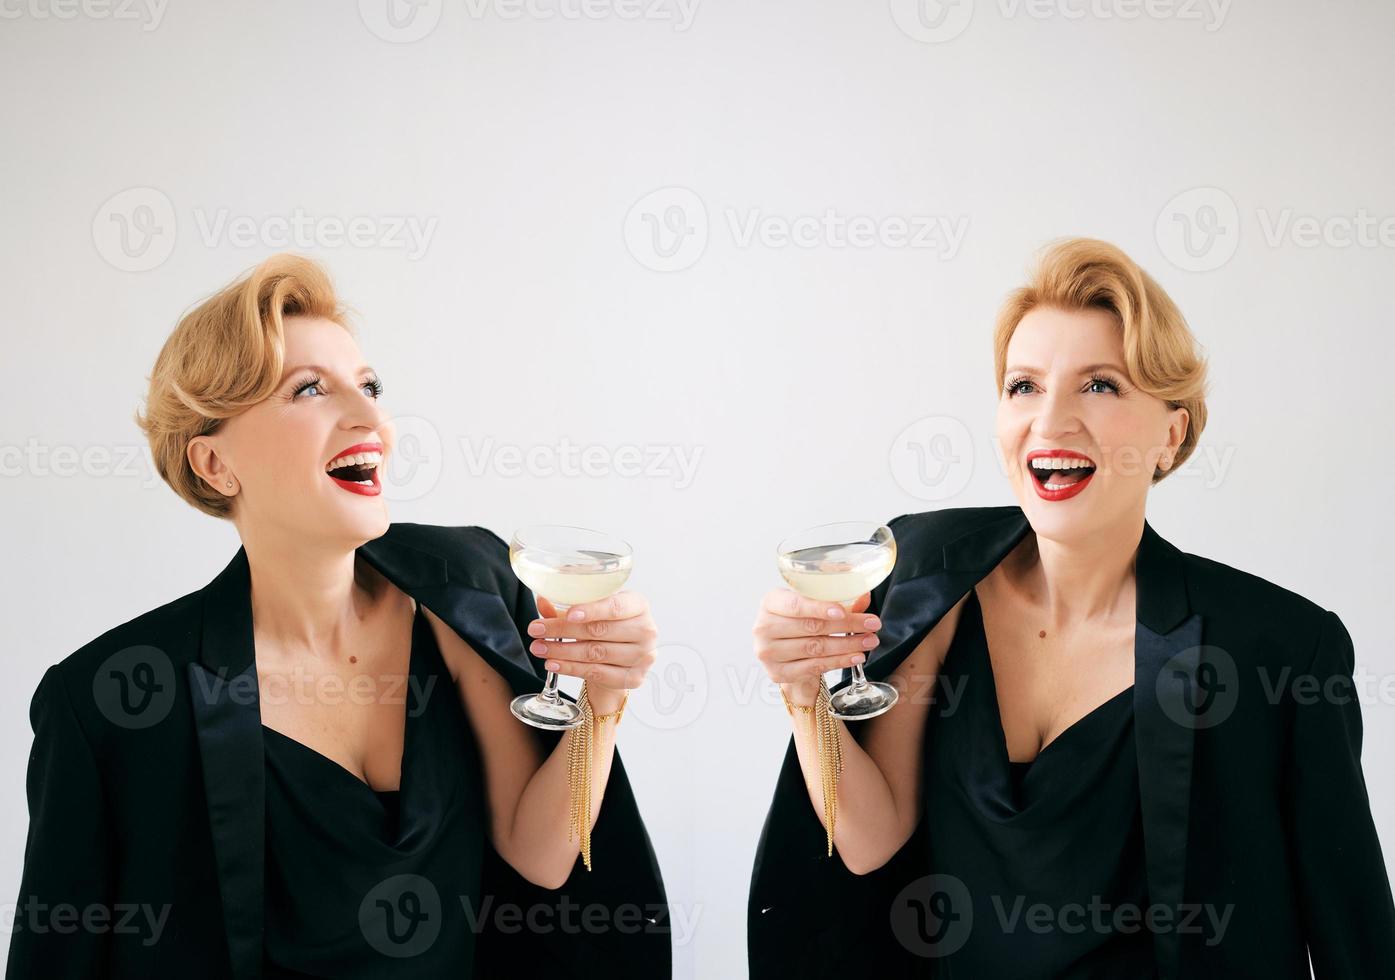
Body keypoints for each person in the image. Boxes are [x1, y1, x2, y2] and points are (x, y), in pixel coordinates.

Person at [7, 254, 671, 979]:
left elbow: (540, 856)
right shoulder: (106, 701)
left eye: (369, 387)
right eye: (310, 390)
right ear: (214, 465)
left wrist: (602, 700)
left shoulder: (465, 588)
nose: (370, 420)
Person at [748, 237, 1395, 978]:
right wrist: (804, 697)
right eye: (1023, 386)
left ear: (1170, 434)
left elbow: (1352, 928)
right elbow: (869, 839)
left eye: (1099, 386)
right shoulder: (929, 572)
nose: (1049, 423)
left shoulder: (1279, 646)